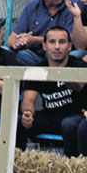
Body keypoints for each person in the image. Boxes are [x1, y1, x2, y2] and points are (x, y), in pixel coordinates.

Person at [16, 26, 87, 157]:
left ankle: (71, 167)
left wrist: (63, 76)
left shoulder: (79, 65)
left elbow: (79, 85)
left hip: (75, 116)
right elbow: (28, 100)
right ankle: (17, 163)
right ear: (44, 46)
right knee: (19, 121)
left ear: (70, 46)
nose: (57, 47)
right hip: (50, 116)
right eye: (52, 42)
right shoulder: (37, 70)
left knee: (69, 124)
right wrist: (27, 113)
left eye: (62, 42)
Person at [6, 0, 87, 67]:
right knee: (7, 52)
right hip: (36, 55)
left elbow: (74, 41)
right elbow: (10, 40)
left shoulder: (72, 3)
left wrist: (34, 40)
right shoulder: (32, 7)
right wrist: (20, 42)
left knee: (74, 56)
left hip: (64, 55)